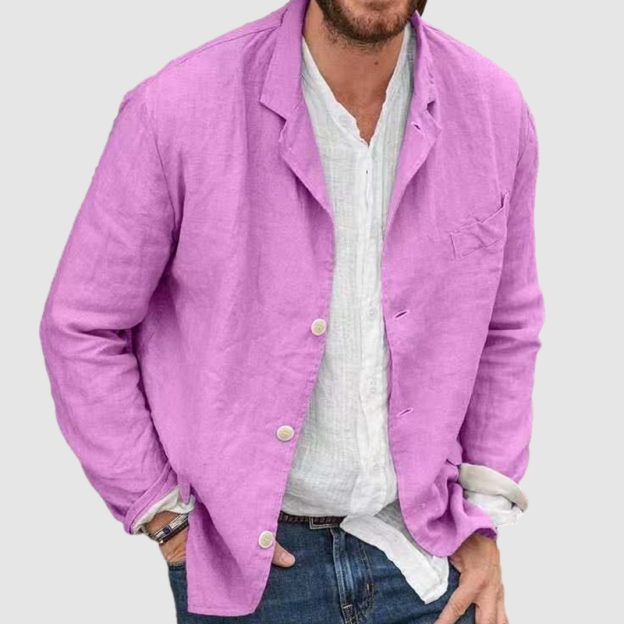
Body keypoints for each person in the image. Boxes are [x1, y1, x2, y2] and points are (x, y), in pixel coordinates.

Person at [39, 1, 544, 622]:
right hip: (253, 577)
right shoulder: (176, 107)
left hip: (430, 562)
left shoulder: (494, 109)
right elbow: (82, 325)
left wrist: (483, 515)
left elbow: (506, 323)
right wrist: (163, 515)